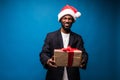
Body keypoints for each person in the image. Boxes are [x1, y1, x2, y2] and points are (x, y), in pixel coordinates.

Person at [39, 4, 88, 80]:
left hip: (72, 76)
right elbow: (43, 53)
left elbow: (84, 53)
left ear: (73, 21)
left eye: (70, 19)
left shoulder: (78, 38)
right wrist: (48, 61)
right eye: (65, 18)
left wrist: (83, 60)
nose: (67, 21)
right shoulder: (50, 36)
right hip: (54, 75)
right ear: (60, 20)